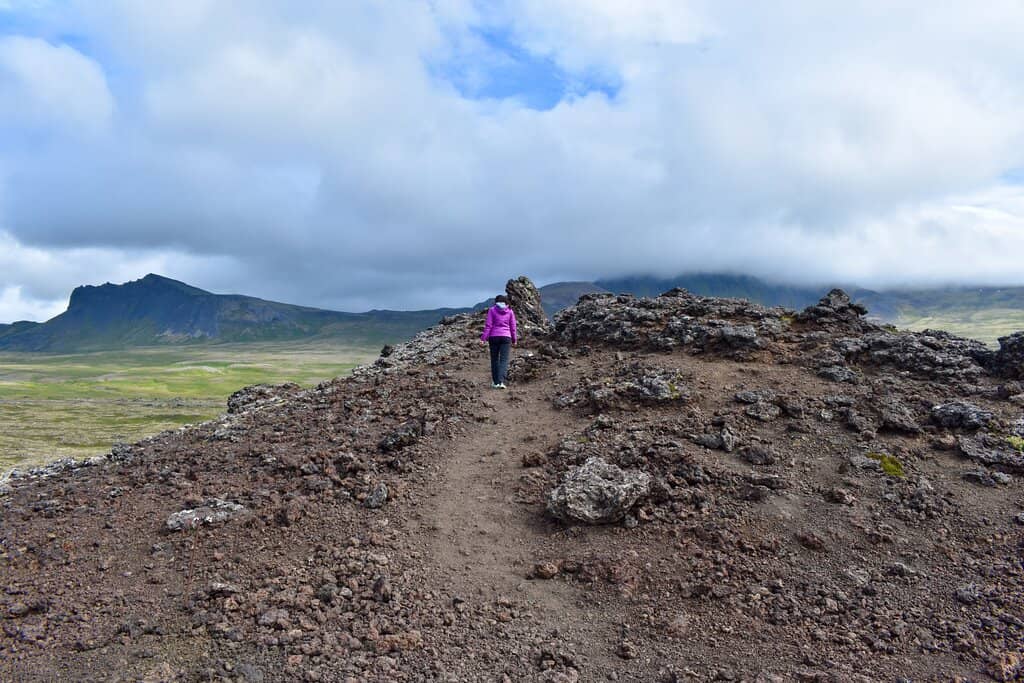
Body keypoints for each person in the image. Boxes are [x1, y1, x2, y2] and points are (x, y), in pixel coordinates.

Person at [479, 294, 517, 388]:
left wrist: (483, 338)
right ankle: (501, 381)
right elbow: (513, 327)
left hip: (493, 337)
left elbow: (488, 325)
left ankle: (496, 382)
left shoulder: (492, 310)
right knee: (504, 360)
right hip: (506, 337)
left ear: (496, 302)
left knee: (494, 360)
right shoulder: (510, 311)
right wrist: (514, 339)